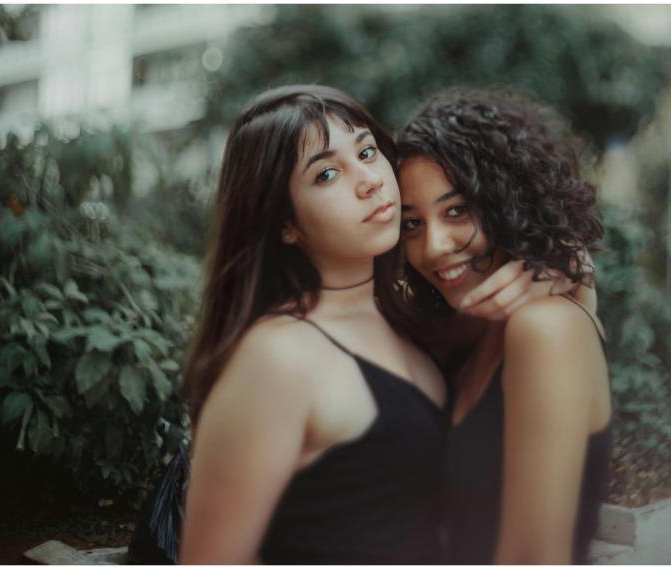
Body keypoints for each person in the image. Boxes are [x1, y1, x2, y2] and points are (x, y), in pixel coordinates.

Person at [176, 85, 576, 563]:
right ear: (286, 224)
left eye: (367, 151)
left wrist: (564, 276)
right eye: (327, 174)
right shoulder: (277, 357)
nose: (368, 180)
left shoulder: (408, 315)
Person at [392, 88, 611, 564]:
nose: (433, 247)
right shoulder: (467, 332)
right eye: (412, 224)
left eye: (457, 210)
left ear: (508, 202)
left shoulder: (545, 328)